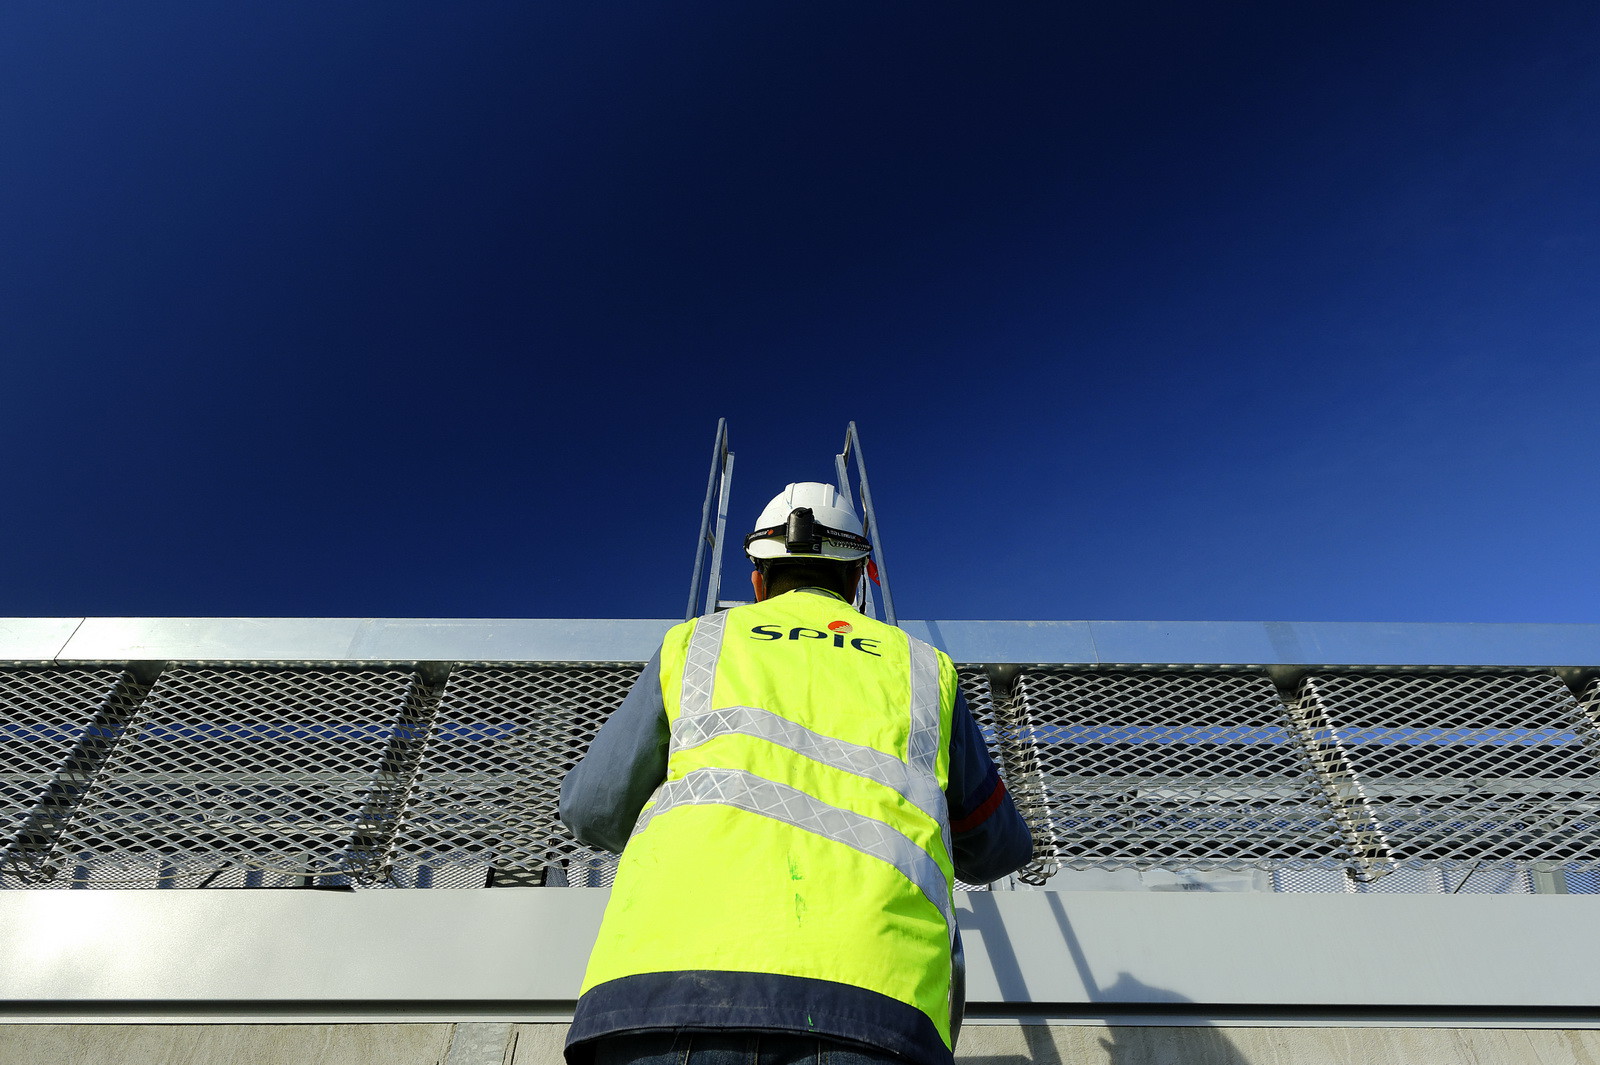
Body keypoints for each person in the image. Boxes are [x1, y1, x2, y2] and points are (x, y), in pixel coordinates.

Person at [560, 482, 1032, 1065]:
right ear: (857, 580)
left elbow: (593, 808)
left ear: (757, 578)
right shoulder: (921, 669)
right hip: (876, 1005)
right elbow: (999, 848)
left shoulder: (695, 644)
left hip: (660, 994)